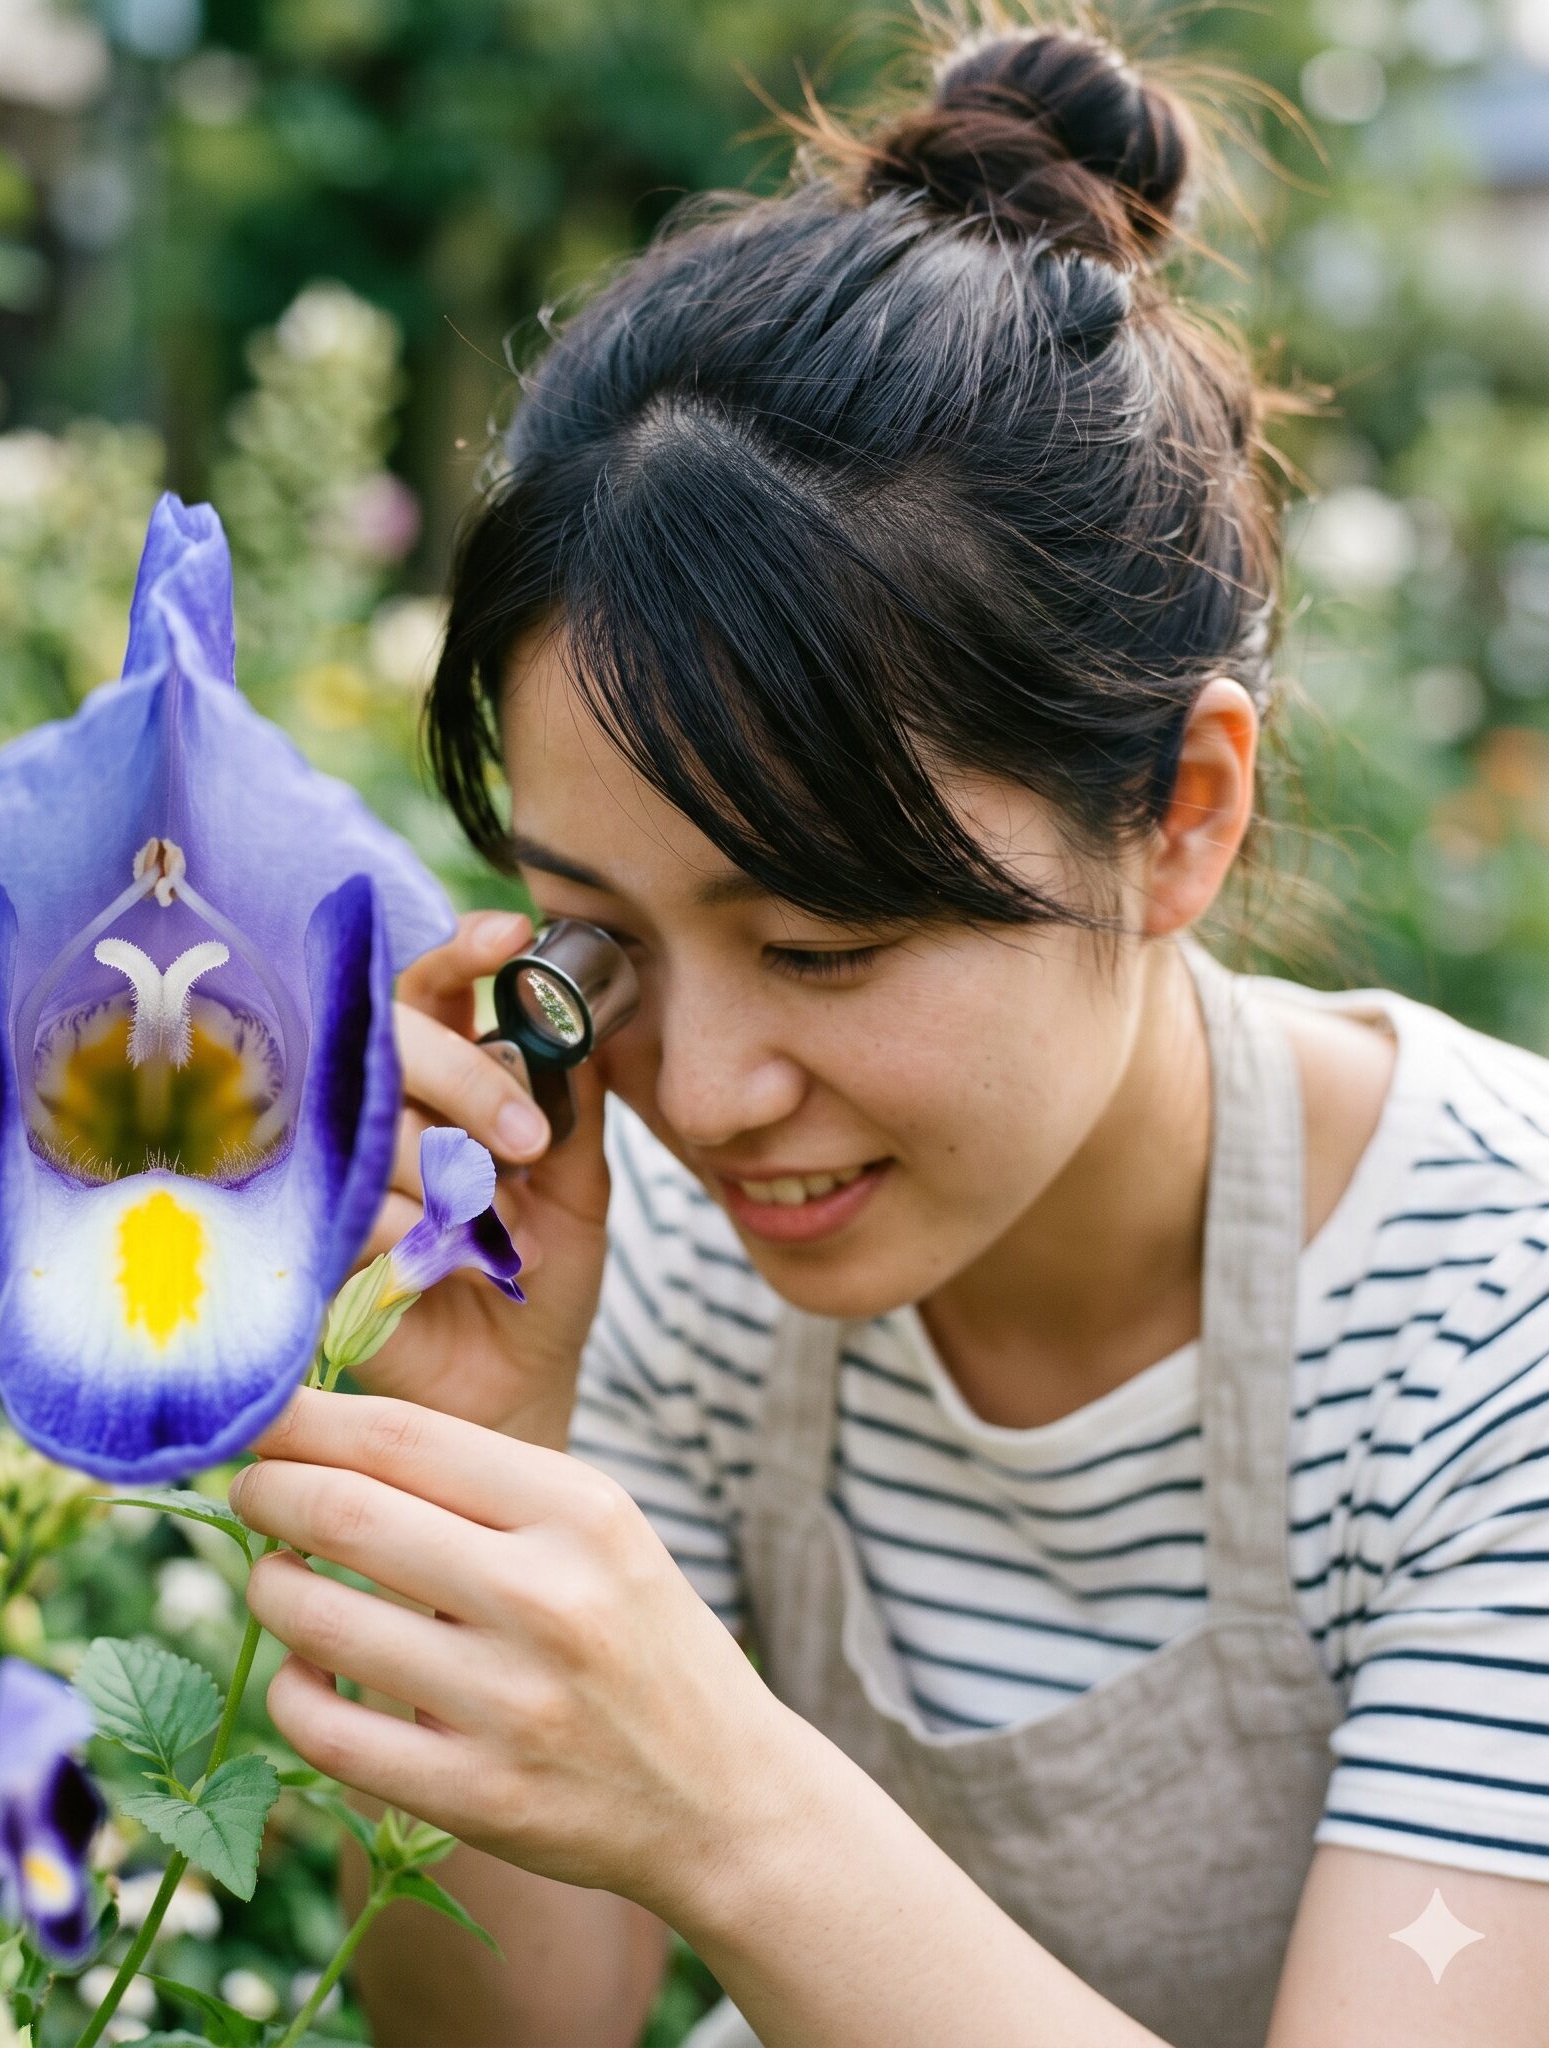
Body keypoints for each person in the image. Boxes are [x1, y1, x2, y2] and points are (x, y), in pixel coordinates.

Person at [221, 21, 1549, 2047]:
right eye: (601, 941)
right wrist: (475, 1469)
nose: (701, 1096)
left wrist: (725, 1808)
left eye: (824, 944)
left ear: (1183, 813)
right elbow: (510, 2036)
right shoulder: (647, 1259)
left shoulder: (1489, 1327)